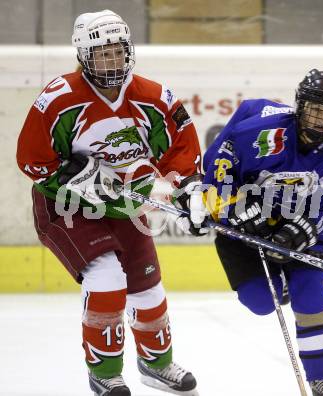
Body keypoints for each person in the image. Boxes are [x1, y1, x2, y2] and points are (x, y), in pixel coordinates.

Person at [16, 10, 206, 396]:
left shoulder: (154, 98)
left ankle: (157, 365)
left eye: (118, 51)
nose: (112, 61)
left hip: (125, 208)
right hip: (67, 208)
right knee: (106, 279)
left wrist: (190, 190)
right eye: (102, 53)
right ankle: (104, 371)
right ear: (84, 56)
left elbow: (181, 149)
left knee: (148, 288)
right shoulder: (59, 99)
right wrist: (70, 175)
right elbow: (31, 159)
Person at [202, 69, 323, 396]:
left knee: (311, 293)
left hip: (296, 221)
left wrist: (299, 232)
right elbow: (217, 168)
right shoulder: (258, 134)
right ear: (300, 107)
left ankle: (321, 379)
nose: (321, 120)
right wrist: (233, 209)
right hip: (243, 228)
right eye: (316, 110)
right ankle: (280, 282)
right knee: (262, 301)